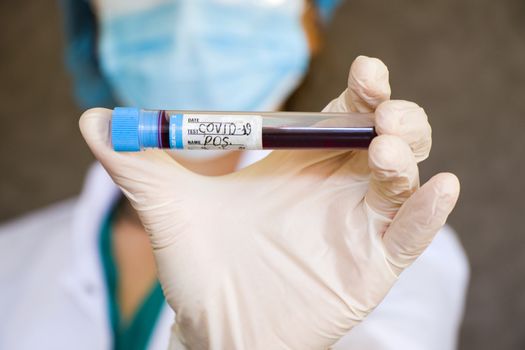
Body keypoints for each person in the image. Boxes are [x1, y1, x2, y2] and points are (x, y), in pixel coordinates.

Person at [0, 0, 469, 349]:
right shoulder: (9, 259)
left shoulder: (378, 246)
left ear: (309, 20)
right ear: (91, 20)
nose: (189, 16)